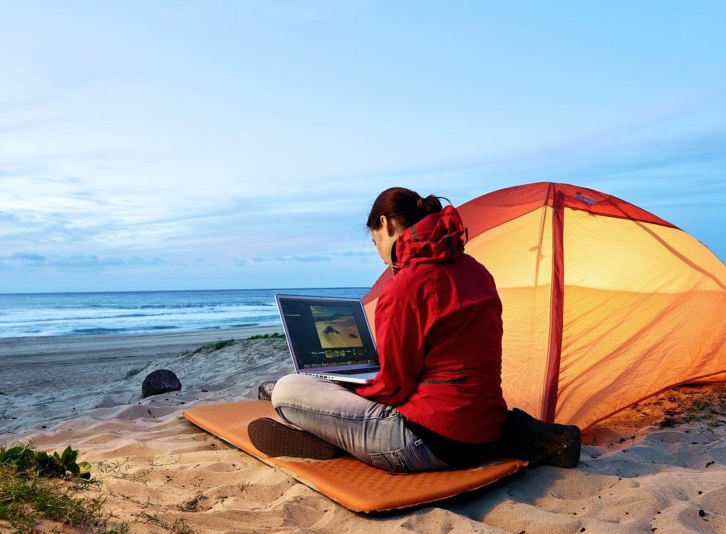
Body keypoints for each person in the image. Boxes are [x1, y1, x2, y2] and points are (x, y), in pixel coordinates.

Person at [248, 187, 580, 471]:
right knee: (331, 387)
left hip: (427, 443)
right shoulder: (477, 271)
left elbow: (394, 389)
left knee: (289, 388)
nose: (379, 252)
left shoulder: (406, 285)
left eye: (375, 240)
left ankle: (326, 435)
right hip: (486, 430)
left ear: (386, 223)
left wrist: (349, 388)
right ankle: (329, 429)